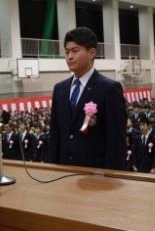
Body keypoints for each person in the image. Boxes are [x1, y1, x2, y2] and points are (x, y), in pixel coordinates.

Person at [45, 27, 127, 169]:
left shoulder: (109, 89)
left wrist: (111, 177)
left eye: (75, 51)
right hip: (63, 173)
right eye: (67, 52)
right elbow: (55, 135)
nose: (69, 57)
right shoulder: (59, 89)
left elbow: (116, 142)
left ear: (92, 53)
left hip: (95, 175)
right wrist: (51, 168)